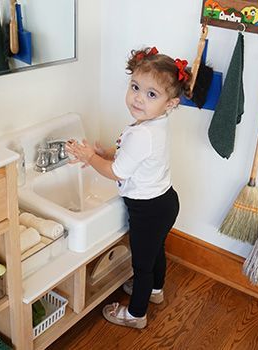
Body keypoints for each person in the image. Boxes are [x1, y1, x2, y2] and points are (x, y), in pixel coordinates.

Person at [66, 46, 192, 329]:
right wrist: (106, 152)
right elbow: (129, 154)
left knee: (142, 265)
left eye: (151, 94)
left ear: (170, 103)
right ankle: (156, 291)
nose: (138, 98)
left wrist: (92, 157)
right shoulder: (152, 124)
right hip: (165, 201)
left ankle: (136, 315)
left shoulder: (143, 133)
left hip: (147, 209)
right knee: (156, 249)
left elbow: (117, 171)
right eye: (135, 86)